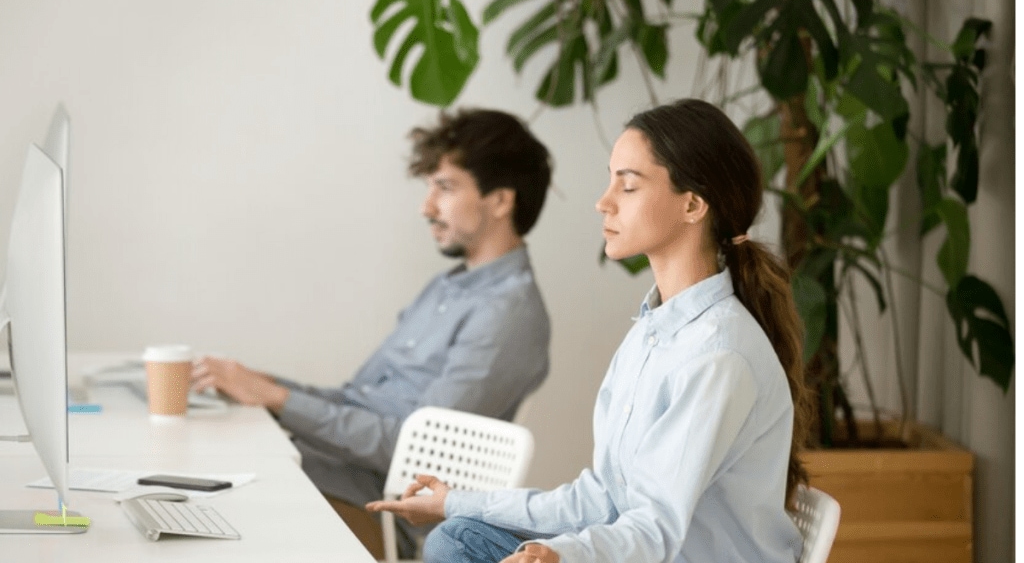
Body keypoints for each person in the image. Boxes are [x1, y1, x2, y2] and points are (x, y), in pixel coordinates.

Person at [366, 98, 813, 563]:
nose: (604, 202)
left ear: (693, 204)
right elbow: (600, 500)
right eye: (610, 180)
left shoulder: (720, 354)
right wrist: (453, 501)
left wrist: (563, 554)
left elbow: (655, 529)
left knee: (457, 546)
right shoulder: (653, 332)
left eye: (629, 185)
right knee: (458, 535)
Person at [191, 108, 553, 559]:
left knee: (208, 511)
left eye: (444, 187)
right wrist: (262, 386)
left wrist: (277, 400)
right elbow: (356, 398)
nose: (426, 207)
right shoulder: (446, 287)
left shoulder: (509, 315)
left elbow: (419, 454)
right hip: (331, 473)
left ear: (500, 201)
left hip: (378, 513)